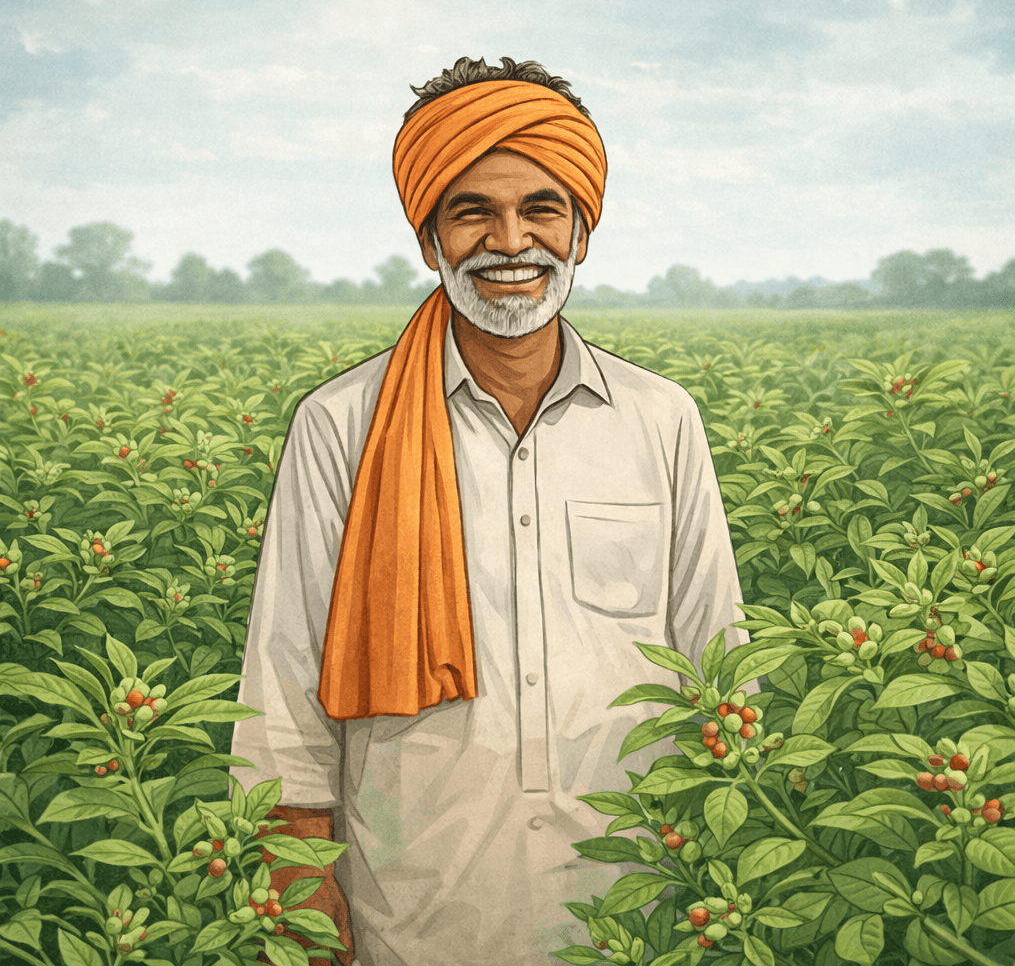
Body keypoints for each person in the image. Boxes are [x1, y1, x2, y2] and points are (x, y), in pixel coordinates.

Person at [231, 55, 746, 966]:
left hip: (637, 901)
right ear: (430, 239)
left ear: (583, 231)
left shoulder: (662, 421)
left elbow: (717, 654)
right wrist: (299, 882)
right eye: (473, 211)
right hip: (415, 902)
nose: (512, 241)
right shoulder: (340, 425)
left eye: (542, 208)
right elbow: (283, 671)